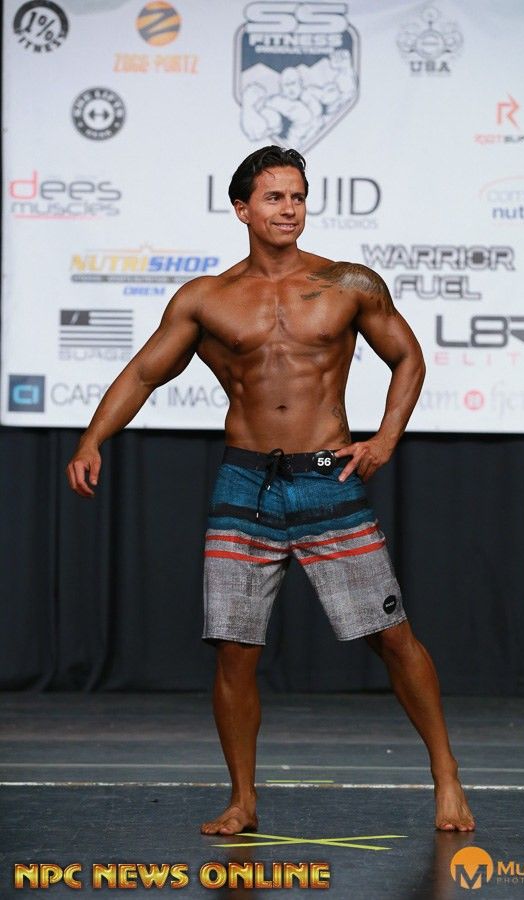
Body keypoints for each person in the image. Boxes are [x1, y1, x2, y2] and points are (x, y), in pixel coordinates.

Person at [66, 146, 475, 836]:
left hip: (326, 478)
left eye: (298, 197)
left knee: (390, 635)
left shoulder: (348, 282)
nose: (290, 209)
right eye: (275, 197)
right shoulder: (206, 297)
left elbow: (408, 356)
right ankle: (242, 798)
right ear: (242, 209)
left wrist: (384, 441)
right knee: (234, 647)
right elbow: (142, 374)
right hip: (246, 483)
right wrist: (91, 440)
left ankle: (446, 775)